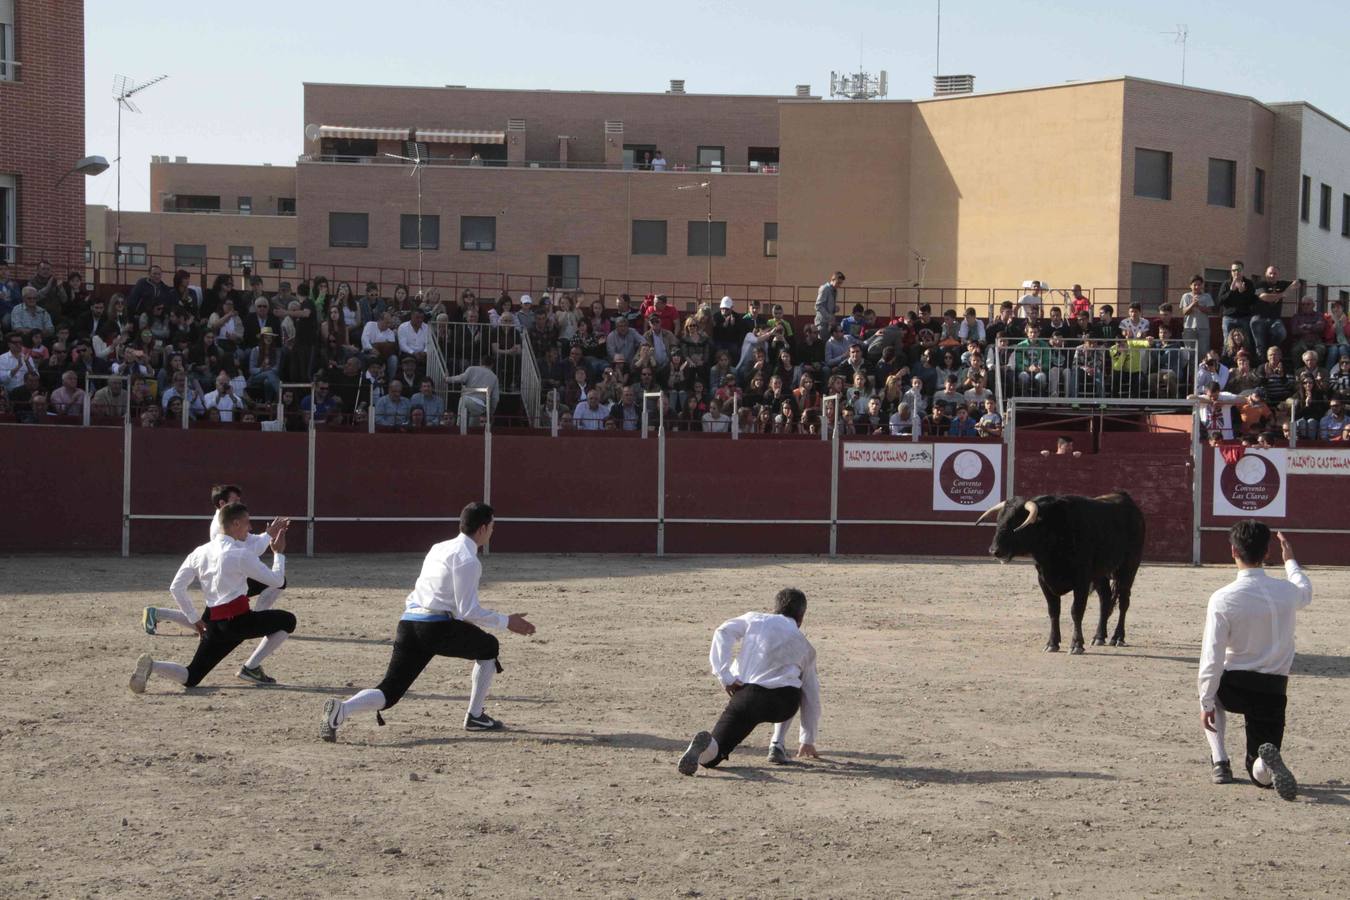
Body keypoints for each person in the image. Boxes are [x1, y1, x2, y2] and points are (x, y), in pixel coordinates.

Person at [321, 502, 536, 739]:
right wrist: (506, 621)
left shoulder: (439, 547)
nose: (493, 531)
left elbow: (448, 599)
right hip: (435, 628)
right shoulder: (469, 560)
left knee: (389, 691)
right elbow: (467, 611)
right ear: (483, 528)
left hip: (409, 623)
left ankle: (342, 710)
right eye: (493, 526)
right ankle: (475, 716)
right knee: (489, 647)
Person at [129, 502, 294, 692]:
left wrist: (194, 619)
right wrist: (278, 554)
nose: (250, 528)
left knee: (192, 677)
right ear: (236, 524)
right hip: (240, 621)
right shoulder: (240, 554)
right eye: (247, 523)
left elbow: (176, 588)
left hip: (213, 622)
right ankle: (252, 666)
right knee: (288, 621)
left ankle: (153, 665)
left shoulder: (200, 551)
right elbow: (277, 581)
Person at [1198, 523, 1311, 800]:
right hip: (1274, 689)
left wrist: (1206, 701)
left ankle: (1220, 761)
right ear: (1267, 551)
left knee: (1211, 694)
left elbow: (1211, 658)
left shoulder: (1223, 598)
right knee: (1259, 772)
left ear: (1233, 550)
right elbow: (1304, 589)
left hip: (1235, 685)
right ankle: (1263, 765)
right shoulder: (1286, 592)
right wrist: (1290, 560)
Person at [678, 588, 821, 775]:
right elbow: (811, 695)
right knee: (793, 682)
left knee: (712, 757)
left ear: (775, 608)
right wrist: (807, 739)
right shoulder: (805, 646)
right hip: (783, 703)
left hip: (749, 697)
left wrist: (725, 676)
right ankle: (777, 743)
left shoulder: (756, 619)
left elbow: (723, 631)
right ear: (801, 617)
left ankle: (708, 749)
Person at [141, 484, 291, 635]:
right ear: (222, 503)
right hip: (224, 583)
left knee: (277, 583)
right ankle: (158, 613)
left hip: (225, 579)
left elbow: (250, 542)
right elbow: (248, 552)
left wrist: (268, 534)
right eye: (235, 500)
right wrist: (269, 536)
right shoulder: (221, 526)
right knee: (210, 625)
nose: (239, 504)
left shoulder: (229, 521)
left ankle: (158, 613)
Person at [814, 271, 845, 336]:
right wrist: (829, 317)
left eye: (841, 283)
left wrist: (834, 308)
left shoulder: (834, 290)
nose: (839, 285)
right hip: (822, 322)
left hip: (830, 323)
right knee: (823, 343)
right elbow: (818, 306)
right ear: (833, 280)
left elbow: (826, 305)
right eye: (838, 283)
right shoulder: (825, 288)